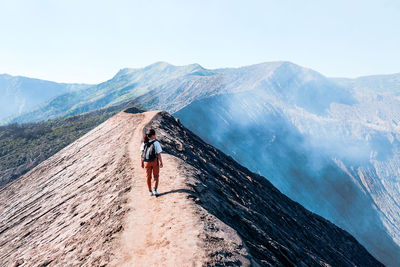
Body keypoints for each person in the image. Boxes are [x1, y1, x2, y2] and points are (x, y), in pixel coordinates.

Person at [140, 129, 163, 196]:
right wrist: (161, 162)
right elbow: (158, 154)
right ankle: (155, 190)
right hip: (154, 161)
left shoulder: (144, 143)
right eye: (154, 135)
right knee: (156, 176)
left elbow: (141, 154)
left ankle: (150, 191)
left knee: (148, 177)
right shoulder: (156, 143)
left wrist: (142, 162)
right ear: (153, 135)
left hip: (146, 162)